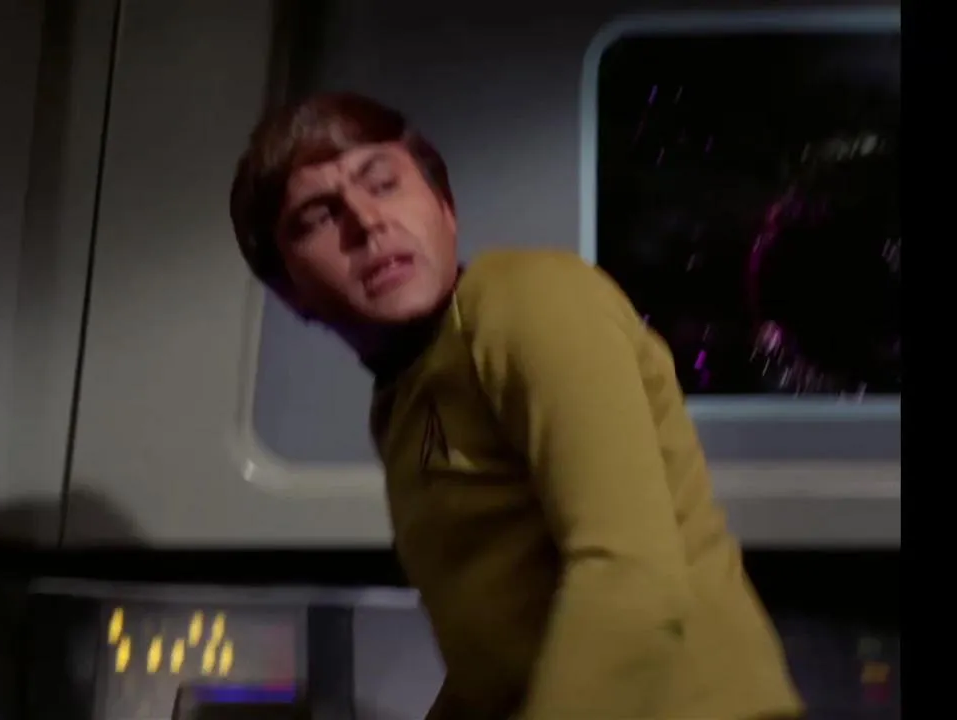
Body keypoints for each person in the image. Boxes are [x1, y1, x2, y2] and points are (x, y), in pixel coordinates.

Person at [229, 92, 804, 720]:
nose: (367, 223)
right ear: (290, 293)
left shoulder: (527, 299)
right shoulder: (401, 401)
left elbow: (629, 578)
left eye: (384, 184)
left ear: (445, 208)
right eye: (318, 217)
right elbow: (491, 672)